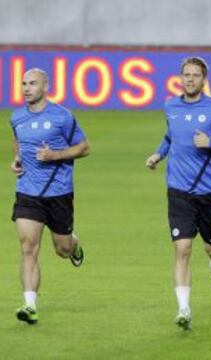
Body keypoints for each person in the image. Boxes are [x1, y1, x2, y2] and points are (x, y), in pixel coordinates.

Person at [146, 57, 211, 330]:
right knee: (182, 248)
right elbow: (171, 135)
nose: (190, 79)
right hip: (179, 190)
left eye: (195, 75)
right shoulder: (171, 106)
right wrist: (159, 154)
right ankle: (183, 309)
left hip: (210, 192)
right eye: (186, 75)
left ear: (204, 80)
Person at [10, 68, 90, 325]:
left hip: (58, 193)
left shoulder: (62, 116)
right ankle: (29, 304)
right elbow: (18, 141)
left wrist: (56, 156)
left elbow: (84, 147)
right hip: (28, 192)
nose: (26, 88)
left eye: (32, 83)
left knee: (62, 249)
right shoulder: (17, 117)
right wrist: (17, 159)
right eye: (24, 83)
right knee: (28, 248)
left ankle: (74, 245)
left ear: (45, 87)